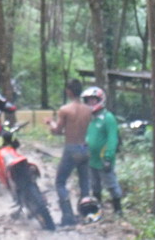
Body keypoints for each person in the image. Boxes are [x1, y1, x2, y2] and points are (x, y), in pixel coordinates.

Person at [45, 78, 91, 226]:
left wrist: (50, 123)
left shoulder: (65, 110)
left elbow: (57, 131)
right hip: (85, 148)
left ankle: (67, 216)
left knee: (60, 182)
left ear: (68, 91)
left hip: (71, 148)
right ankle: (86, 213)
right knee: (84, 183)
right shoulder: (89, 110)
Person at [82, 86, 123, 216]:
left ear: (99, 100)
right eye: (88, 100)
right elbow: (88, 136)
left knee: (111, 184)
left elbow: (112, 139)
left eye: (93, 100)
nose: (90, 103)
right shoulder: (91, 118)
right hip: (91, 159)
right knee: (95, 185)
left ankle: (118, 209)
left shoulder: (108, 117)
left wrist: (108, 157)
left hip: (103, 158)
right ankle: (98, 209)